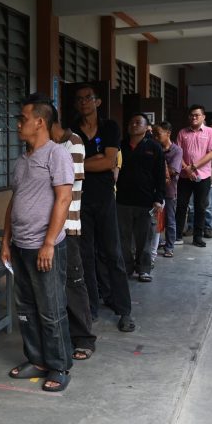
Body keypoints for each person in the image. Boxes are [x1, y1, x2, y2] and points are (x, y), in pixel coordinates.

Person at [2, 95, 74, 391]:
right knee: (26, 308)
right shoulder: (22, 159)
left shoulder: (56, 154)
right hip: (20, 246)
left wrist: (48, 244)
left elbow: (64, 198)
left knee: (51, 309)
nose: (18, 123)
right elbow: (14, 202)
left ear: (40, 122)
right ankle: (37, 359)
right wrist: (7, 240)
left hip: (45, 247)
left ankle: (59, 365)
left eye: (22, 118)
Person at [71, 85, 134, 332]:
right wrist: (94, 161)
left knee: (113, 253)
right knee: (85, 255)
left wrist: (79, 165)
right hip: (79, 199)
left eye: (89, 98)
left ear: (97, 102)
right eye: (79, 99)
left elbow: (109, 161)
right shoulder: (71, 131)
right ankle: (91, 308)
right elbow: (70, 162)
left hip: (105, 197)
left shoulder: (110, 127)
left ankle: (124, 310)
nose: (84, 102)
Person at [49, 115, 96, 361]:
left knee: (73, 283)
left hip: (67, 226)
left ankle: (84, 338)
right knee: (54, 285)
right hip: (47, 229)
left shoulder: (73, 143)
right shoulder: (49, 147)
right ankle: (62, 335)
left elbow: (66, 186)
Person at [116, 114, 165, 283]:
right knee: (123, 238)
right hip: (122, 200)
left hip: (146, 201)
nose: (133, 125)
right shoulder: (120, 146)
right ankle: (127, 268)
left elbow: (160, 175)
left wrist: (158, 198)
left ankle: (144, 269)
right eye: (131, 122)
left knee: (144, 238)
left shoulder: (154, 147)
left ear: (146, 127)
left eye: (138, 123)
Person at [175, 104, 212, 248]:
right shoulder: (182, 133)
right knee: (181, 205)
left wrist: (193, 167)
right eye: (192, 115)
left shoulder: (211, 132)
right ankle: (177, 235)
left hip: (203, 176)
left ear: (203, 117)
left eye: (197, 115)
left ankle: (197, 237)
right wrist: (187, 170)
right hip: (184, 176)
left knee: (200, 207)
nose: (194, 117)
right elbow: (178, 153)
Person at [152, 122, 183, 257]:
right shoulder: (154, 148)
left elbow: (174, 171)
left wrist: (159, 168)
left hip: (169, 190)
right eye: (154, 134)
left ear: (168, 133)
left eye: (158, 134)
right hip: (154, 189)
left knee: (170, 219)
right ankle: (157, 242)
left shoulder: (177, 150)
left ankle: (169, 247)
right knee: (155, 218)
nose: (155, 137)